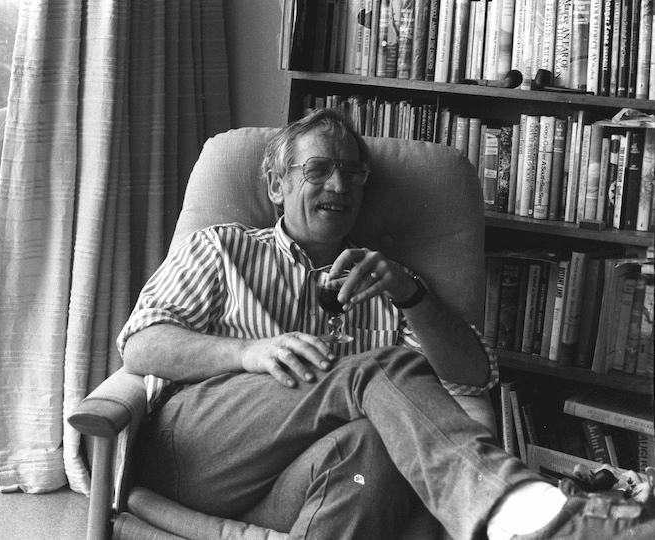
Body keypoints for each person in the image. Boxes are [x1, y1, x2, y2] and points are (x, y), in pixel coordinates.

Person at [117, 108, 654, 539]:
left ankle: (514, 509)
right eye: (318, 169)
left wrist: (410, 294)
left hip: (287, 483)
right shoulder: (221, 247)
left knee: (372, 449)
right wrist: (247, 354)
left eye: (353, 172)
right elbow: (141, 345)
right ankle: (516, 506)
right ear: (276, 186)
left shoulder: (386, 281)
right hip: (193, 451)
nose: (340, 184)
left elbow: (471, 380)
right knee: (374, 370)